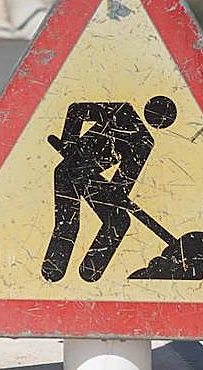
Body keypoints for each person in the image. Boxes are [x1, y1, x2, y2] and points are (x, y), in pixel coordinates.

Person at [41, 95, 176, 283]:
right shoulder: (122, 112)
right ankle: (53, 270)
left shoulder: (143, 144)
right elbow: (75, 110)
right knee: (68, 223)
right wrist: (69, 142)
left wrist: (114, 191)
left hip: (87, 173)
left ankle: (89, 273)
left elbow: (120, 188)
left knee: (118, 219)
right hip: (68, 172)